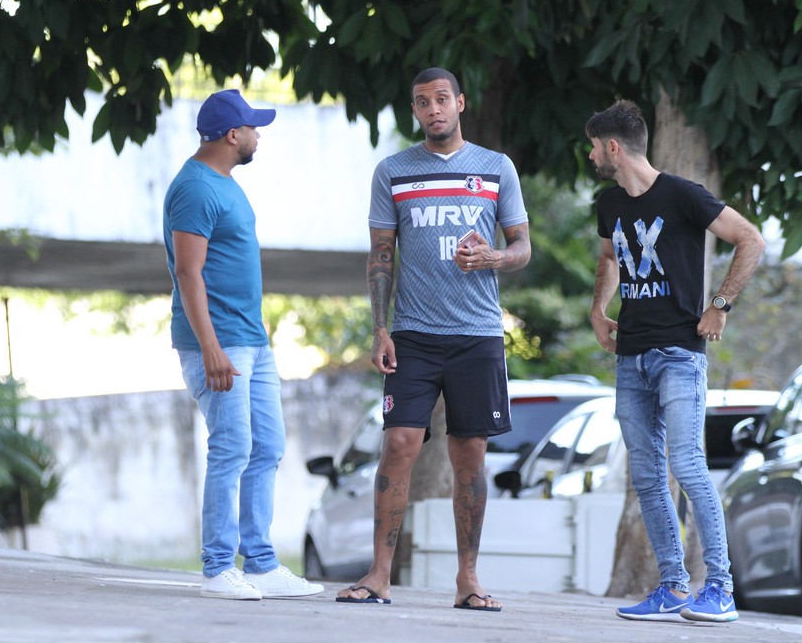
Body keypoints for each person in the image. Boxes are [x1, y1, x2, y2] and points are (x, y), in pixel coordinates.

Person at [335, 67, 531, 611]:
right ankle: (378, 575)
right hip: (412, 336)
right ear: (415, 111)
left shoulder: (495, 169)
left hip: (478, 335)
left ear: (460, 103)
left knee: (469, 454)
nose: (433, 109)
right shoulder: (393, 171)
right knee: (398, 445)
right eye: (423, 102)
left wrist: (492, 256)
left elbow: (522, 247)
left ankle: (468, 579)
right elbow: (380, 256)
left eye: (442, 99)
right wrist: (380, 328)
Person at [586, 100, 765, 623]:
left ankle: (722, 590)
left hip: (680, 355)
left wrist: (721, 304)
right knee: (646, 475)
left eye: (594, 145)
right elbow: (609, 258)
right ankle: (672, 588)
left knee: (687, 465)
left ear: (613, 147)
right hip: (631, 355)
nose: (591, 153)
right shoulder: (609, 203)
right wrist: (598, 311)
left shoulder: (683, 195)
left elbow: (750, 239)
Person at [163, 89, 322, 601]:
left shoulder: (226, 183)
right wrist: (210, 347)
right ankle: (216, 568)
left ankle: (259, 563)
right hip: (220, 343)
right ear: (233, 136)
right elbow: (188, 273)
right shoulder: (194, 188)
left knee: (267, 447)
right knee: (231, 448)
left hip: (252, 340)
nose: (259, 136)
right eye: (254, 128)